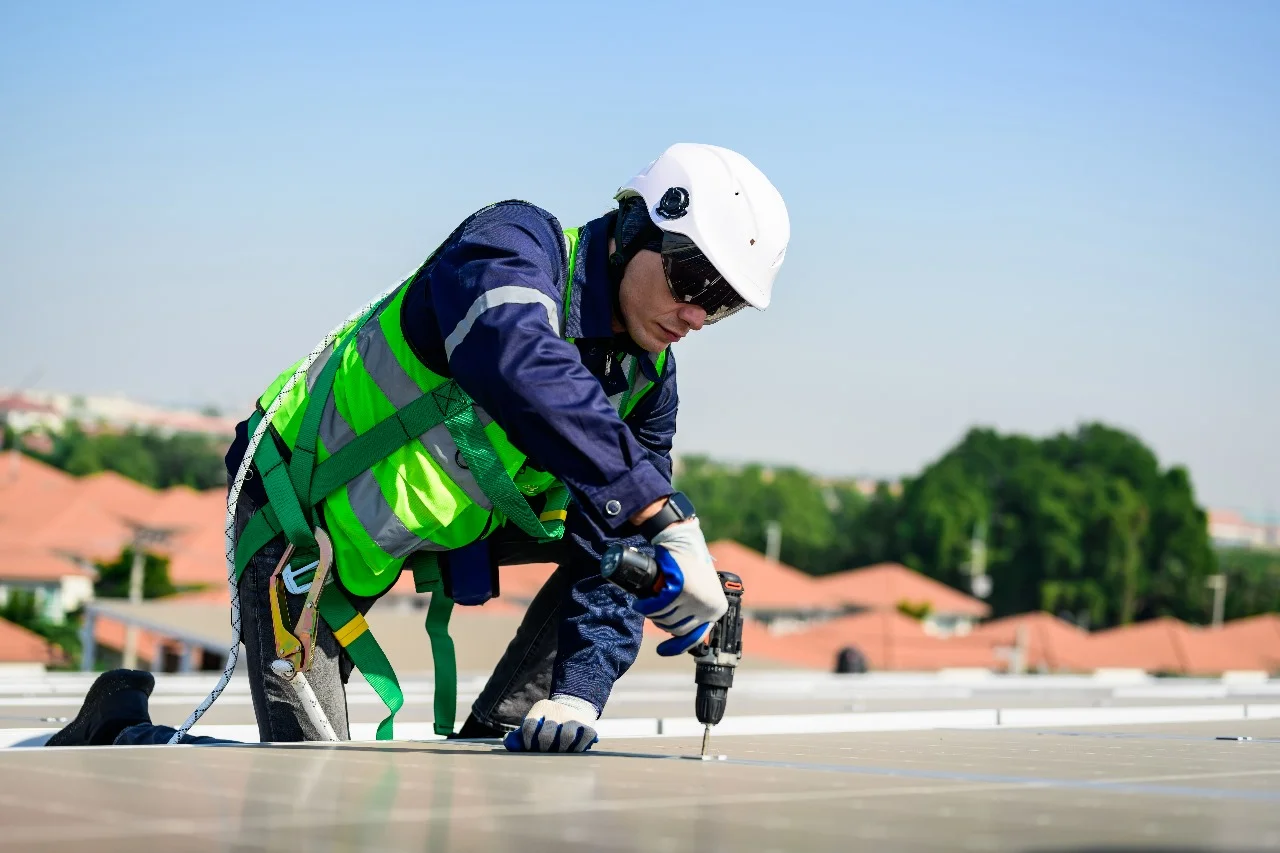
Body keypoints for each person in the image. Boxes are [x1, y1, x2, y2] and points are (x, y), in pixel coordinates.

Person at [47, 142, 790, 754]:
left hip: (434, 530)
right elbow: (515, 355)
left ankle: (514, 723)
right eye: (692, 277)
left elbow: (617, 524)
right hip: (302, 518)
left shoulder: (647, 382)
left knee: (629, 540)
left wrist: (581, 689)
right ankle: (117, 728)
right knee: (307, 785)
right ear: (635, 228)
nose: (696, 313)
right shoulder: (512, 245)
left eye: (721, 302)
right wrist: (663, 512)